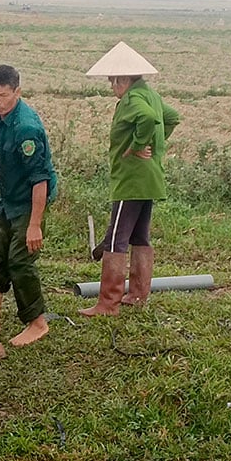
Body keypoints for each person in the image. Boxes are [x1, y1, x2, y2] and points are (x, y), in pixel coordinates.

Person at [80, 41, 180, 316]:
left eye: (113, 82)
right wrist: (156, 144)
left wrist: (137, 145)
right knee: (139, 235)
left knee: (115, 239)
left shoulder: (133, 100)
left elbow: (147, 119)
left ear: (123, 79)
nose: (112, 87)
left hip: (132, 178)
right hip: (150, 178)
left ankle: (107, 303)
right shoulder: (151, 94)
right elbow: (171, 118)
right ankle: (137, 294)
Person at [0, 64, 58, 347]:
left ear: (17, 92)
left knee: (20, 260)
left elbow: (40, 180)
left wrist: (33, 225)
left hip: (30, 200)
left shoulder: (27, 128)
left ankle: (37, 323)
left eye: (3, 95)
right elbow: (3, 159)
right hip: (8, 196)